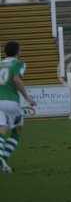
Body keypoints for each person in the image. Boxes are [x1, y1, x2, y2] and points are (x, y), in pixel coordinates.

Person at [0, 41, 36, 173]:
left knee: (2, 128)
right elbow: (16, 79)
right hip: (10, 102)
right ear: (17, 52)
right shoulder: (19, 63)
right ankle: (2, 157)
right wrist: (28, 97)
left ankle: (2, 159)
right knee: (17, 130)